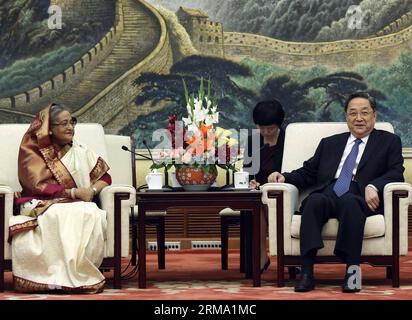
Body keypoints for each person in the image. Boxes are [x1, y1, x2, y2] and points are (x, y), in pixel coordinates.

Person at [268, 92, 404, 292]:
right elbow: (308, 173)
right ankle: (306, 272)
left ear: (374, 116)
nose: (359, 118)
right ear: (346, 117)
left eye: (364, 113)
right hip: (330, 192)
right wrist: (284, 177)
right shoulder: (330, 143)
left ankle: (352, 271)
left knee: (350, 203)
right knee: (313, 202)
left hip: (359, 195)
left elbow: (396, 172)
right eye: (353, 113)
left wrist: (373, 186)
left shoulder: (388, 141)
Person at [9, 103, 112, 293]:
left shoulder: (80, 150)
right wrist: (73, 193)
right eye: (64, 123)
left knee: (91, 212)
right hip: (41, 204)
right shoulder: (33, 154)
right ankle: (55, 277)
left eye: (72, 122)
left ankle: (78, 272)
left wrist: (93, 191)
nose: (70, 127)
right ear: (49, 129)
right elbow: (36, 187)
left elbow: (105, 177)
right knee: (60, 214)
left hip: (79, 202)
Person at [244, 100, 285, 272]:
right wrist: (250, 181)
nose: (266, 132)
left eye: (270, 129)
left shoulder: (289, 139)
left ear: (279, 125)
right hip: (260, 191)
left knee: (267, 203)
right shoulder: (253, 140)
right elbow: (247, 171)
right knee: (257, 203)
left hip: (284, 189)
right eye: (262, 128)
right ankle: (261, 256)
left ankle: (287, 255)